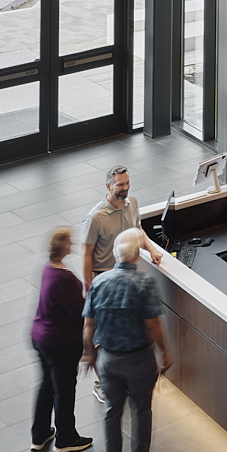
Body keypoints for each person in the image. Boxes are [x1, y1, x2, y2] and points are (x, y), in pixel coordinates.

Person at [82, 227, 169, 452]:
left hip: (107, 360)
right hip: (139, 360)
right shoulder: (145, 282)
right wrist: (166, 352)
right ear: (136, 256)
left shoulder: (98, 282)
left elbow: (88, 324)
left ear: (115, 255)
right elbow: (152, 325)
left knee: (112, 412)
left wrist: (88, 353)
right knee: (141, 409)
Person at [31, 226, 93, 452]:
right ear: (61, 246)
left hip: (40, 338)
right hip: (60, 344)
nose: (72, 244)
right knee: (65, 390)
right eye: (69, 241)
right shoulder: (65, 278)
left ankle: (40, 434)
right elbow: (80, 312)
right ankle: (66, 438)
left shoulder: (48, 269)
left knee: (47, 385)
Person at [82, 165, 140, 406]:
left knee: (124, 330)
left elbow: (138, 231)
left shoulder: (133, 203)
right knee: (103, 335)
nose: (125, 188)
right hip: (103, 278)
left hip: (125, 274)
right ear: (108, 187)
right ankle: (101, 384)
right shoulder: (96, 217)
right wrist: (88, 287)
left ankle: (121, 380)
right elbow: (86, 254)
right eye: (120, 185)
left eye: (127, 183)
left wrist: (151, 251)